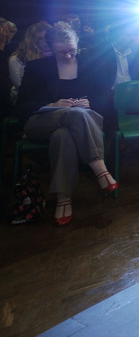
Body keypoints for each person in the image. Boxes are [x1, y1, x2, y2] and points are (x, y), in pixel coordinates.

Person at [16, 22, 116, 226]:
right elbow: (22, 106)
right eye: (62, 52)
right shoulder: (37, 68)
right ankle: (99, 167)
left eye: (72, 50)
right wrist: (51, 104)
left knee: (63, 136)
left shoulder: (88, 64)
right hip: (40, 122)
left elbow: (106, 98)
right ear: (51, 48)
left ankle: (63, 198)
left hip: (75, 128)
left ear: (77, 44)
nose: (69, 56)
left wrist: (91, 102)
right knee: (76, 115)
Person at [8, 21, 52, 104]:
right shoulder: (17, 59)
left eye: (49, 38)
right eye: (42, 39)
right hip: (26, 100)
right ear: (33, 41)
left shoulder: (59, 56)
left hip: (53, 97)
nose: (47, 42)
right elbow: (20, 86)